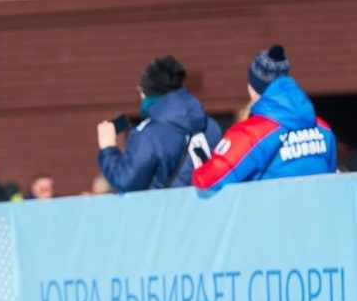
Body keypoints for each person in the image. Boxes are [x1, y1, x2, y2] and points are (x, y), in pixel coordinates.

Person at [192, 45, 336, 191]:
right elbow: (330, 177)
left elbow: (208, 179)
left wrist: (202, 167)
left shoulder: (251, 133)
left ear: (253, 87)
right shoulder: (323, 128)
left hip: (270, 213)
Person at [97, 55, 222, 192]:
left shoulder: (148, 135)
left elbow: (126, 181)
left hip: (167, 211)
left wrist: (108, 148)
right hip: (206, 208)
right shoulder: (211, 126)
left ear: (146, 92)